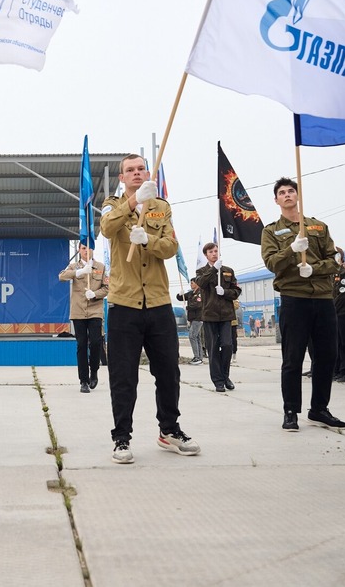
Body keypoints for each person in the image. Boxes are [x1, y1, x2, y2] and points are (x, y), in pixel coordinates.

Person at [99, 154, 199, 464]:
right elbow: (106, 228)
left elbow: (170, 247)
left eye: (141, 168)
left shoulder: (161, 207)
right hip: (124, 303)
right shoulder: (112, 204)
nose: (136, 174)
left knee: (168, 371)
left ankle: (169, 430)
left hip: (158, 302)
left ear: (147, 173)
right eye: (130, 170)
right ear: (122, 178)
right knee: (124, 376)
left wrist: (147, 242)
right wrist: (131, 205)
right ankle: (122, 438)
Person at [260, 177, 345, 432]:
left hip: (321, 298)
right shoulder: (271, 231)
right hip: (293, 298)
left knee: (326, 356)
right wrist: (291, 251)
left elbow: (334, 261)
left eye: (291, 191)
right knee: (293, 358)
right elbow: (272, 263)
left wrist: (314, 268)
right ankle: (291, 411)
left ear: (298, 195)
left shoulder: (319, 227)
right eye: (282, 192)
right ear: (276, 200)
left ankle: (319, 408)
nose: (287, 195)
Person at [58, 244, 109, 393]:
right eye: (83, 248)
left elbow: (107, 287)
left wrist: (95, 294)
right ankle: (84, 381)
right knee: (81, 345)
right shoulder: (74, 266)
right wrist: (78, 272)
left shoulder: (101, 267)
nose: (86, 251)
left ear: (93, 249)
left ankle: (94, 370)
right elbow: (61, 276)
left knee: (95, 342)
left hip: (95, 310)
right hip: (78, 311)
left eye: (89, 248)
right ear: (79, 251)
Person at [195, 242, 241, 392]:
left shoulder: (228, 271)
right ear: (206, 255)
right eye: (211, 252)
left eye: (216, 251)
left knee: (228, 345)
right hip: (210, 314)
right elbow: (201, 283)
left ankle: (225, 375)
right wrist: (214, 269)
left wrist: (225, 293)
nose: (214, 253)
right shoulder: (201, 271)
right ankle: (218, 380)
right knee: (213, 348)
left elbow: (236, 291)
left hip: (226, 314)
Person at [175, 280, 203, 364]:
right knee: (196, 337)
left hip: (198, 318)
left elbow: (198, 305)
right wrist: (179, 294)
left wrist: (187, 307)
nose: (191, 284)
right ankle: (199, 357)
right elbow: (181, 298)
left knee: (192, 336)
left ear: (197, 284)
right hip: (192, 318)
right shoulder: (191, 293)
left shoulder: (200, 293)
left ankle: (197, 357)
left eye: (192, 283)